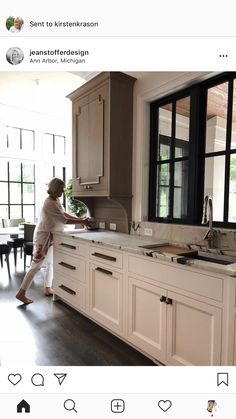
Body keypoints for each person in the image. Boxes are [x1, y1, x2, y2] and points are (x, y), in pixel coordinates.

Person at [16, 178, 91, 304]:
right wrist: (82, 221)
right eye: (61, 188)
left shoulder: (56, 200)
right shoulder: (49, 203)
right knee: (35, 266)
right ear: (56, 188)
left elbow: (64, 214)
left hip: (51, 236)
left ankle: (47, 288)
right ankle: (21, 293)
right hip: (43, 237)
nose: (63, 190)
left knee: (51, 262)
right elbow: (64, 219)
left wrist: (80, 219)